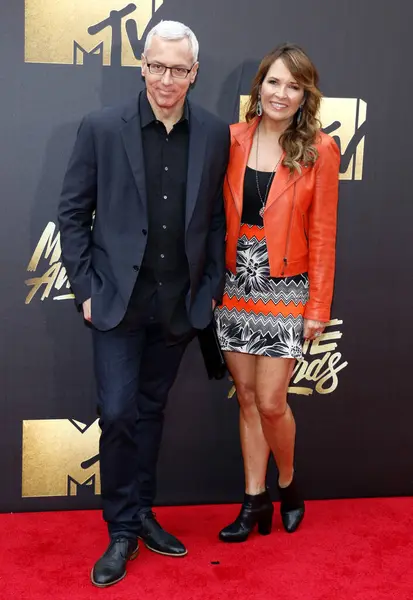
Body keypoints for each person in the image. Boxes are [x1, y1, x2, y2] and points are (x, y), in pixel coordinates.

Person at [58, 20, 229, 587]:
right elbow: (73, 213)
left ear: (194, 73)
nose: (166, 79)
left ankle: (143, 514)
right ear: (142, 65)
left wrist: (209, 292)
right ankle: (121, 531)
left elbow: (216, 221)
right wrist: (85, 290)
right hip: (115, 304)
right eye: (157, 66)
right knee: (119, 413)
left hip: (179, 307)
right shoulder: (102, 127)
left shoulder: (211, 133)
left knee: (152, 412)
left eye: (178, 69)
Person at [214, 43, 340, 542]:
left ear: (305, 94)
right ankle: (253, 500)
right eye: (274, 82)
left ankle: (287, 482)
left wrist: (318, 305)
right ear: (259, 86)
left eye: (294, 85)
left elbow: (325, 234)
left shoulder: (320, 150)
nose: (281, 93)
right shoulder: (231, 140)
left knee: (270, 402)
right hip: (236, 282)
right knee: (245, 397)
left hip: (286, 287)